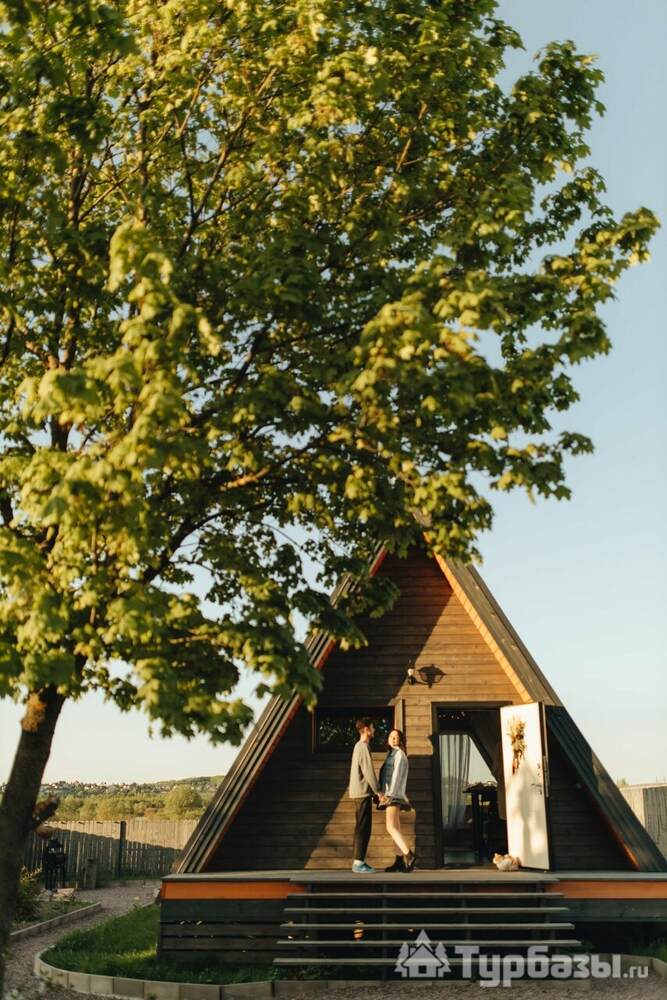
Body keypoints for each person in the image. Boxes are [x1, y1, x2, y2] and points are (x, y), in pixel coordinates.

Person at [378, 729, 416, 872]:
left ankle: (409, 854)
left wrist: (390, 795)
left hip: (393, 795)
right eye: (391, 737)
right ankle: (399, 861)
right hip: (390, 794)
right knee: (396, 827)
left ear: (400, 740)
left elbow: (396, 776)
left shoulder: (399, 754)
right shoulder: (391, 754)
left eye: (396, 737)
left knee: (390, 827)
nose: (393, 739)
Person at [348, 717, 380, 873]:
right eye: (372, 727)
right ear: (366, 729)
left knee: (361, 827)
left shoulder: (359, 746)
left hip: (359, 792)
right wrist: (379, 791)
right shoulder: (363, 746)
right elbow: (368, 771)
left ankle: (358, 861)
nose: (374, 730)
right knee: (363, 828)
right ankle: (358, 863)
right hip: (361, 793)